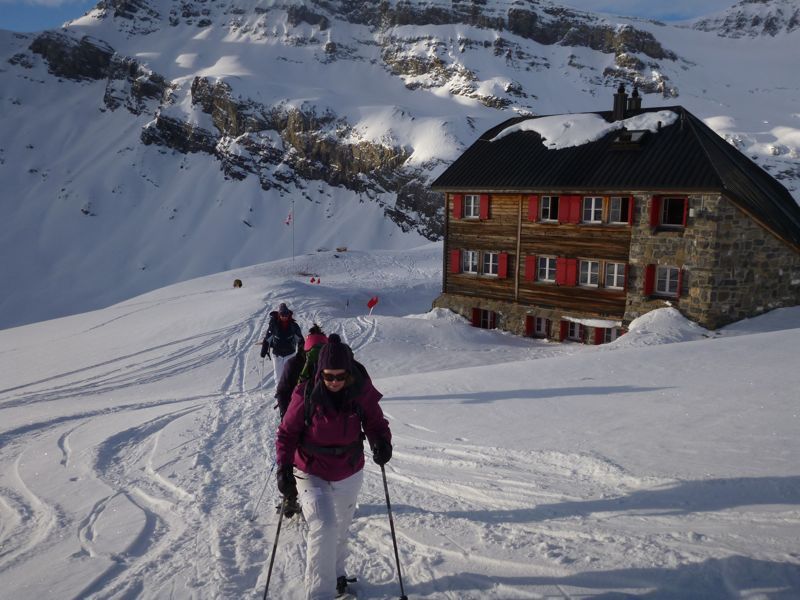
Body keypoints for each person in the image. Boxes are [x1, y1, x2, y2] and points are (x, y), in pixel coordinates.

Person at [275, 338, 392, 599]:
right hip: (310, 471)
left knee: (340, 528)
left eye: (340, 376)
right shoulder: (305, 394)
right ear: (320, 373)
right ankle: (320, 594)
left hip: (349, 470)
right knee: (324, 526)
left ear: (349, 373)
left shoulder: (360, 392)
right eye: (329, 376)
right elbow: (286, 433)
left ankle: (337, 576)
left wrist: (382, 442)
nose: (335, 381)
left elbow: (375, 422)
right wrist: (283, 468)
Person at [274, 323, 328, 419]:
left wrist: (285, 413)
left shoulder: (294, 363)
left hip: (297, 412)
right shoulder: (330, 363)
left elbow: (282, 391)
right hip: (324, 416)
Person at [260, 302, 304, 384]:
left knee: (289, 376)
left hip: (290, 354)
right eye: (282, 315)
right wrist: (264, 350)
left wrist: (301, 352)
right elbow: (267, 339)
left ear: (289, 314)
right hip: (277, 355)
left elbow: (300, 340)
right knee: (278, 377)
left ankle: (290, 391)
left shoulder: (294, 326)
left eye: (286, 315)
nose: (284, 317)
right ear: (279, 315)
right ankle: (278, 391)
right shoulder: (274, 325)